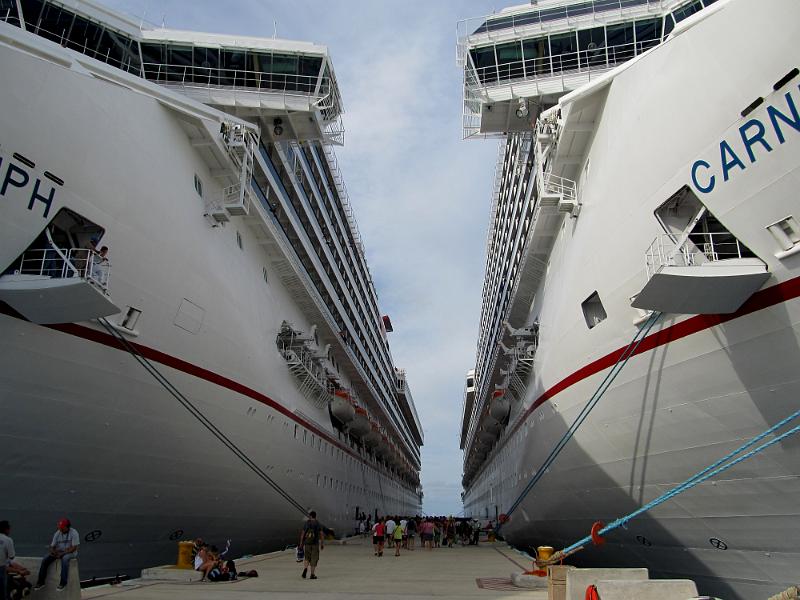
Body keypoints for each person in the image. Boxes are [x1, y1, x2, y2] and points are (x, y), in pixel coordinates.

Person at [34, 519, 79, 592]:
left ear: (67, 527)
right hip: (59, 552)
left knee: (65, 559)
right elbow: (52, 546)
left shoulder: (74, 533)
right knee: (45, 559)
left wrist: (63, 553)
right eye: (59, 527)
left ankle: (63, 582)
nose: (60, 529)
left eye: (62, 527)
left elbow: (74, 548)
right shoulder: (57, 533)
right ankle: (41, 582)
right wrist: (53, 552)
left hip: (70, 553)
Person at [299, 511, 323, 579]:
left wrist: (301, 543)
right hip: (315, 544)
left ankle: (305, 569)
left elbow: (303, 534)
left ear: (310, 516)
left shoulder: (307, 523)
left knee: (307, 558)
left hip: (307, 543)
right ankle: (312, 574)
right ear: (315, 516)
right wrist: (322, 543)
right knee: (314, 559)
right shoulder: (318, 523)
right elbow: (321, 534)